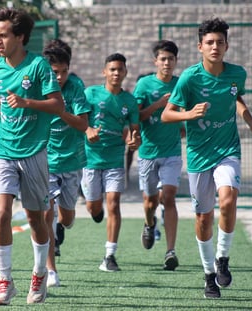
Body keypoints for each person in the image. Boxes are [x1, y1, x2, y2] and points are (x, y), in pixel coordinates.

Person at [161, 17, 252, 298]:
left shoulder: (236, 74)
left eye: (219, 42)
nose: (215, 46)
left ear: (226, 46)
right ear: (200, 47)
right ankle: (208, 274)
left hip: (227, 149)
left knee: (228, 198)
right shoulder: (189, 78)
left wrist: (251, 122)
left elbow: (236, 98)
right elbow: (166, 114)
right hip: (198, 156)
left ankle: (223, 258)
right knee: (204, 218)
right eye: (209, 42)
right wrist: (188, 114)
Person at [0, 7, 64, 305]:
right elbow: (2, 97)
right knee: (2, 211)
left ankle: (39, 274)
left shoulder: (39, 67)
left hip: (34, 150)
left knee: (35, 217)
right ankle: (5, 281)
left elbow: (57, 105)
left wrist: (27, 102)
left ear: (20, 36)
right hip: (3, 148)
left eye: (4, 35)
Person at [82, 53, 141, 272]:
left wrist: (134, 141)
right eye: (112, 69)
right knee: (93, 207)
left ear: (125, 73)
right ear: (104, 72)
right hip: (90, 160)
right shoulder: (90, 94)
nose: (116, 73)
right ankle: (95, 209)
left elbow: (134, 132)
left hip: (115, 159)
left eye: (120, 70)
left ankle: (109, 255)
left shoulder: (129, 101)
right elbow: (80, 120)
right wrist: (88, 130)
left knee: (114, 203)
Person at [42, 39, 90, 287]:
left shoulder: (75, 87)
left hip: (71, 161)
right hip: (45, 160)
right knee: (46, 214)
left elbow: (83, 124)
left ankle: (63, 226)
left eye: (62, 72)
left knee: (67, 217)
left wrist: (60, 111)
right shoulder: (38, 86)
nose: (58, 77)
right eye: (53, 72)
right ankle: (51, 271)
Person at [134, 40, 182, 270]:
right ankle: (149, 222)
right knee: (151, 201)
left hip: (172, 151)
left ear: (175, 62)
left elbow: (186, 113)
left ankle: (170, 251)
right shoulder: (144, 85)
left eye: (171, 59)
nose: (167, 63)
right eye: (163, 59)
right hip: (148, 153)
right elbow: (137, 116)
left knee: (169, 196)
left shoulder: (181, 84)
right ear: (156, 61)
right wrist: (159, 105)